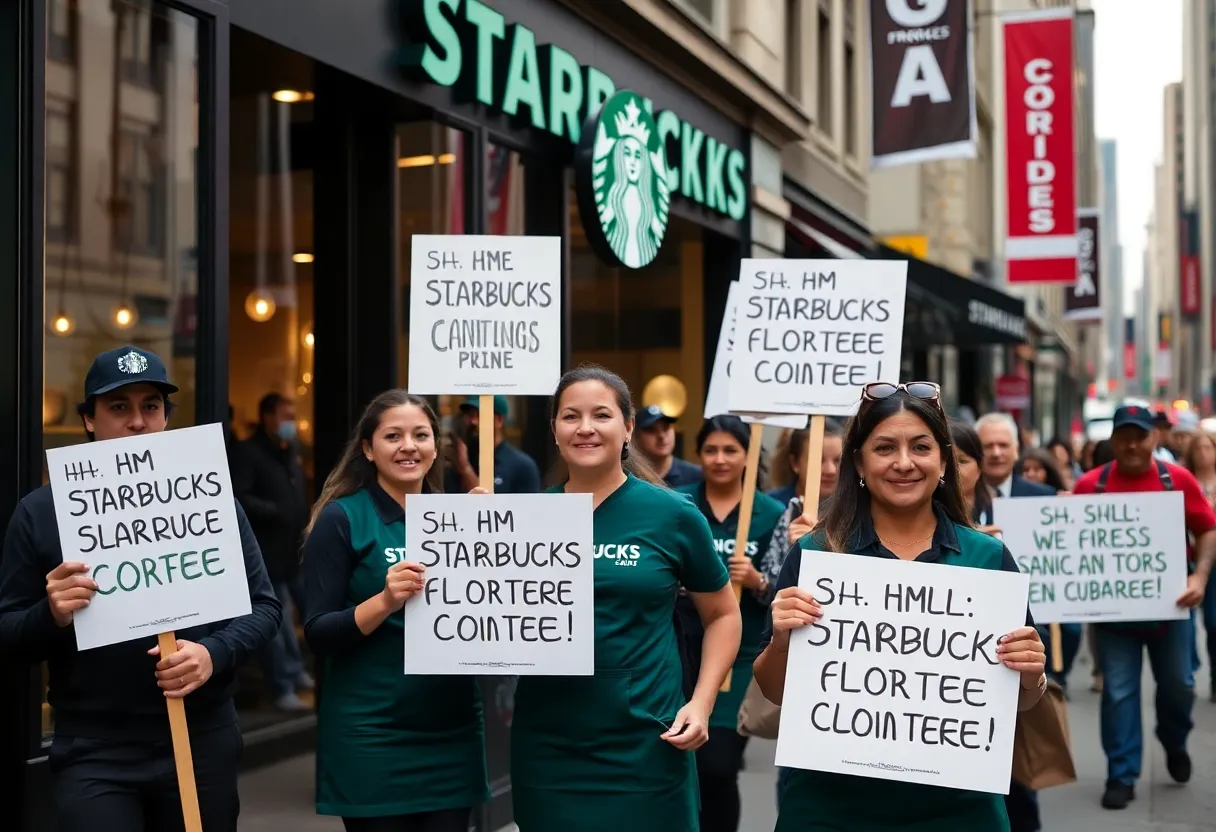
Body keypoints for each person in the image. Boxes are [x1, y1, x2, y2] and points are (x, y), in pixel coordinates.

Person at [0, 345, 282, 832]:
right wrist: (52, 613)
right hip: (95, 749)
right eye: (118, 407)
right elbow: (10, 633)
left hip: (200, 737)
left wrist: (213, 653)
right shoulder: (40, 513)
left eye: (151, 406)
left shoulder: (209, 499)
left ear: (166, 418)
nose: (137, 422)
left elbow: (264, 607)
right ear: (89, 420)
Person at [752, 381, 1046, 831]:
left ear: (944, 460)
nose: (904, 463)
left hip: (958, 808)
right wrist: (782, 638)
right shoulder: (819, 555)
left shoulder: (988, 558)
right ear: (860, 463)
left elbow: (1022, 700)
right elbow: (774, 690)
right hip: (831, 808)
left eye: (921, 447)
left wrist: (1032, 673)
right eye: (885, 447)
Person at [511, 365, 741, 831]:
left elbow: (722, 615)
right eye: (570, 416)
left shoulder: (672, 514)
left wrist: (700, 703)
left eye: (601, 414)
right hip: (549, 744)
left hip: (648, 740)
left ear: (628, 427)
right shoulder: (525, 518)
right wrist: (475, 540)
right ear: (555, 430)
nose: (586, 428)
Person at [300, 390, 489, 831]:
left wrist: (494, 533)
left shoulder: (462, 517)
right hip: (372, 734)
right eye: (393, 436)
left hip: (451, 730)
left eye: (420, 435)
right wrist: (384, 601)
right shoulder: (342, 519)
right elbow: (319, 632)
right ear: (368, 448)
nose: (408, 446)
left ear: (435, 446)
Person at [1072, 405, 1216, 811]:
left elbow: (1207, 530)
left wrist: (1199, 579)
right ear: (1112, 440)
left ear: (1154, 437)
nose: (1132, 444)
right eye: (1124, 436)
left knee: (1180, 685)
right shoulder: (1090, 485)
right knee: (1118, 692)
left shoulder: (1177, 480)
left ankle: (1174, 739)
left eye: (1140, 434)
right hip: (1114, 617)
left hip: (1172, 609)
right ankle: (1122, 774)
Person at [675, 415, 783, 832]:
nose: (719, 459)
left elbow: (782, 592)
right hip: (679, 652)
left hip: (736, 661)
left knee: (717, 764)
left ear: (747, 456)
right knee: (684, 765)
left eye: (730, 450)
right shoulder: (679, 503)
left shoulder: (769, 512)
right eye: (710, 450)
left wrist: (756, 581)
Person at [233, 392, 314, 712]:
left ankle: (295, 672)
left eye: (293, 416)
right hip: (265, 555)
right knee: (276, 625)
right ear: (267, 417)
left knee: (302, 616)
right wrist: (274, 511)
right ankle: (281, 687)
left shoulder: (287, 450)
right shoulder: (248, 453)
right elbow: (239, 496)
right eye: (285, 415)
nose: (290, 423)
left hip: (291, 552)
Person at [444, 394, 541, 494]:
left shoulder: (522, 466)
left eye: (480, 415)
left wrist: (465, 469)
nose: (473, 421)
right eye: (470, 415)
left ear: (499, 420)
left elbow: (490, 506)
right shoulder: (458, 461)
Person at [1183, 431, 1216, 699]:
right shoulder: (1185, 481)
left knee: (1214, 621)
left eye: (1209, 448)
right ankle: (1189, 667)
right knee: (1188, 618)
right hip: (1189, 561)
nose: (1204, 454)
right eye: (1199, 449)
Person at [765, 419, 842, 510]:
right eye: (818, 460)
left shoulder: (855, 509)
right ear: (795, 463)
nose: (830, 470)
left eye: (838, 460)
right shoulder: (769, 509)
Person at [976, 413, 1055, 499]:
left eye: (1003, 445)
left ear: (1016, 451)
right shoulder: (962, 498)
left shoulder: (1042, 496)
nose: (996, 453)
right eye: (988, 446)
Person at [633, 403, 703, 488]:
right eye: (651, 430)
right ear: (636, 436)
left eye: (666, 428)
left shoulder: (697, 476)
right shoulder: (628, 476)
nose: (661, 436)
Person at [950, 419, 999, 533]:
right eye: (947, 461)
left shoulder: (999, 505)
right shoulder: (926, 512)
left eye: (962, 461)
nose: (953, 469)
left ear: (980, 466)